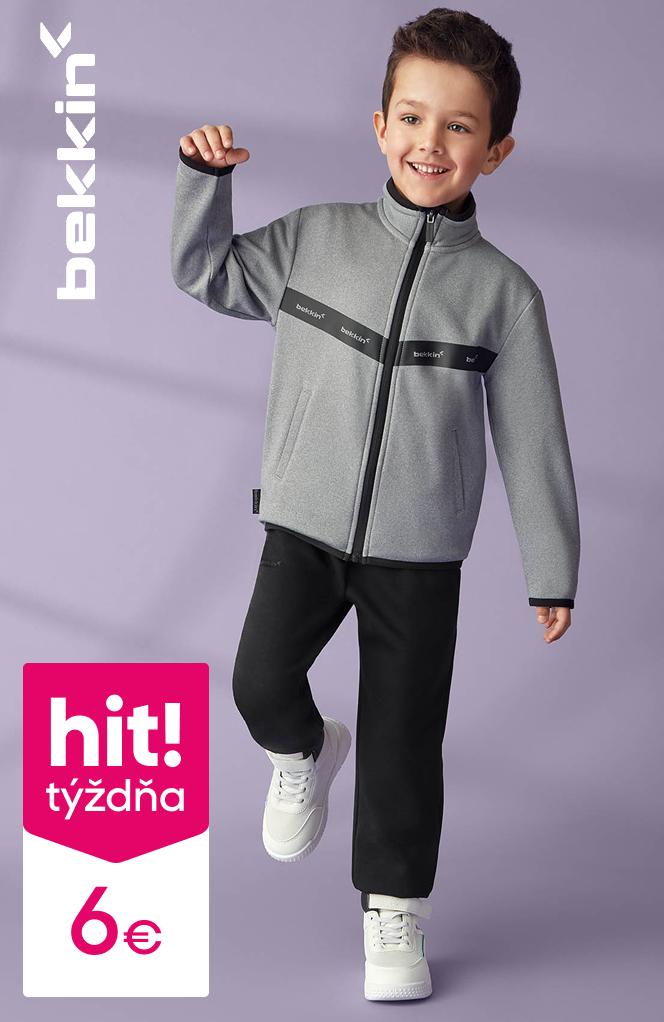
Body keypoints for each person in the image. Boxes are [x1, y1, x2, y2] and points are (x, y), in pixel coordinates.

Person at [170, 6, 580, 1002]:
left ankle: (394, 913)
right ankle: (306, 747)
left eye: (459, 126)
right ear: (379, 124)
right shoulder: (316, 238)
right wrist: (203, 182)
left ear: (496, 150)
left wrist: (551, 570)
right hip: (302, 526)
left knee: (403, 742)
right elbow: (207, 272)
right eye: (412, 117)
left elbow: (532, 439)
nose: (430, 142)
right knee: (259, 680)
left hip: (419, 555)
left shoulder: (504, 295)